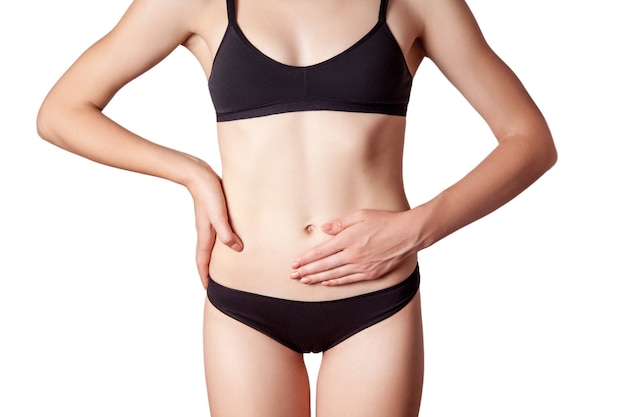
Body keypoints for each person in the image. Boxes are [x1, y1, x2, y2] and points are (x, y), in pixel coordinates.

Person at [36, 0, 557, 415]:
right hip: (246, 305)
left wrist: (417, 229)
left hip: (374, 301)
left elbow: (530, 140)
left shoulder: (415, 3)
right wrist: (191, 173)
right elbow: (62, 111)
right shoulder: (197, 2)